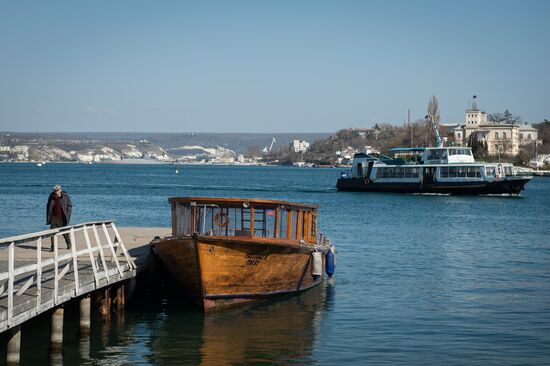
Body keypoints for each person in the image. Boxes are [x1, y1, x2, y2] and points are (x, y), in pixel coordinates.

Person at [46, 184, 73, 251]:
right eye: (55, 191)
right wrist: (48, 216)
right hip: (54, 217)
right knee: (52, 232)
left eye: (57, 190)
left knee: (64, 232)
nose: (56, 192)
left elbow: (70, 205)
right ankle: (53, 247)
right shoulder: (51, 196)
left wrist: (68, 215)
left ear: (60, 190)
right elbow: (48, 206)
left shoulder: (65, 196)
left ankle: (69, 244)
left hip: (62, 217)